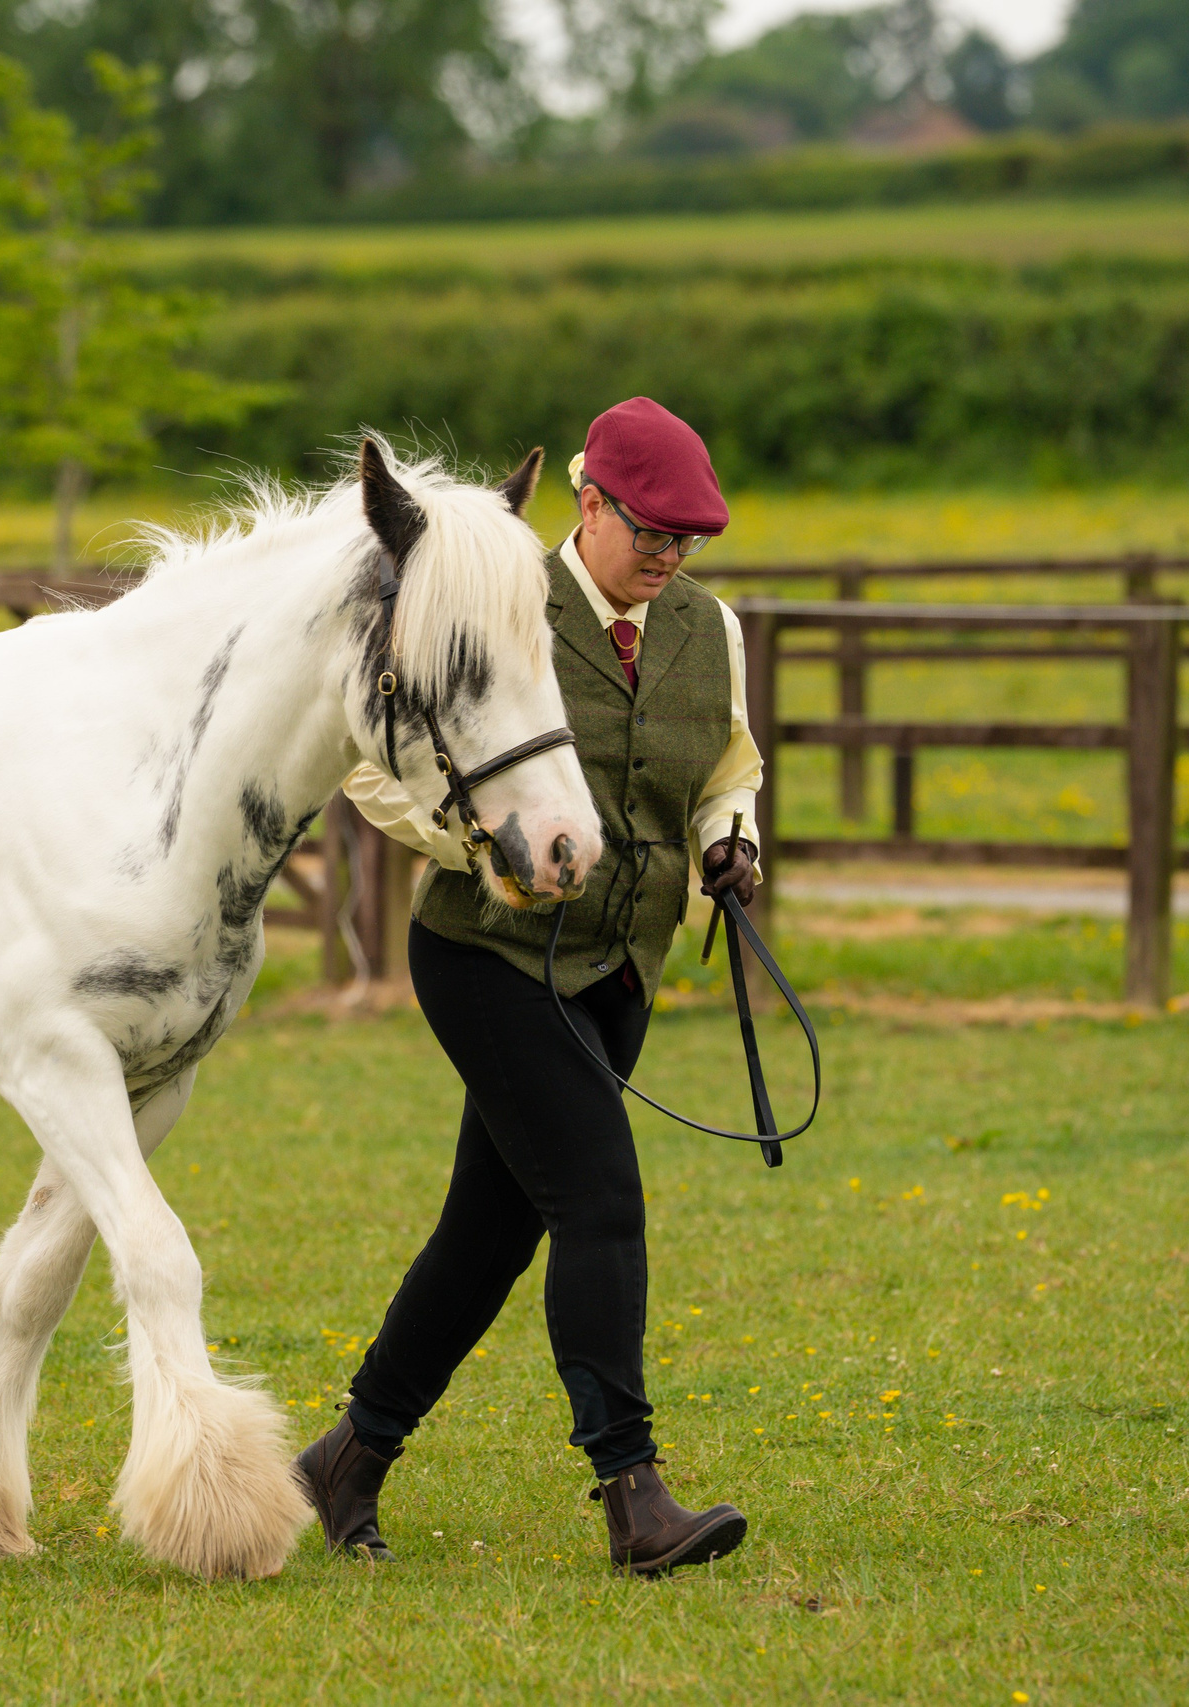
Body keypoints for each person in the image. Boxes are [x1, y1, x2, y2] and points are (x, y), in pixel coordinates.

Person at [295, 397, 762, 1577]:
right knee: (599, 1200)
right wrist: (476, 846)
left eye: (685, 543)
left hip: (622, 965)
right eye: (648, 532)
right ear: (589, 505)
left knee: (486, 1236)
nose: (666, 558)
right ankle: (633, 1493)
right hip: (488, 958)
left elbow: (726, 764)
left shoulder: (709, 628)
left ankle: (346, 1460)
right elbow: (373, 758)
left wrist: (730, 837)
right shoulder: (501, 602)